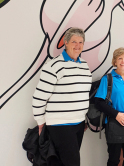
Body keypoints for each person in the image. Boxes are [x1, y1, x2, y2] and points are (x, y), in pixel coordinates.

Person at [32, 27, 92, 166]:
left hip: (78, 123)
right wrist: (41, 122)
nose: (78, 46)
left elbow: (82, 93)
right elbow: (39, 97)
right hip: (60, 124)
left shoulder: (84, 65)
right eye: (74, 42)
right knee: (72, 163)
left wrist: (81, 117)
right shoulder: (54, 66)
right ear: (65, 43)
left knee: (61, 163)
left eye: (81, 42)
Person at [95, 47, 124, 166]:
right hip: (113, 123)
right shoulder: (108, 79)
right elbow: (99, 102)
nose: (123, 61)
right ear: (115, 62)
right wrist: (116, 115)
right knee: (114, 159)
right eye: (119, 58)